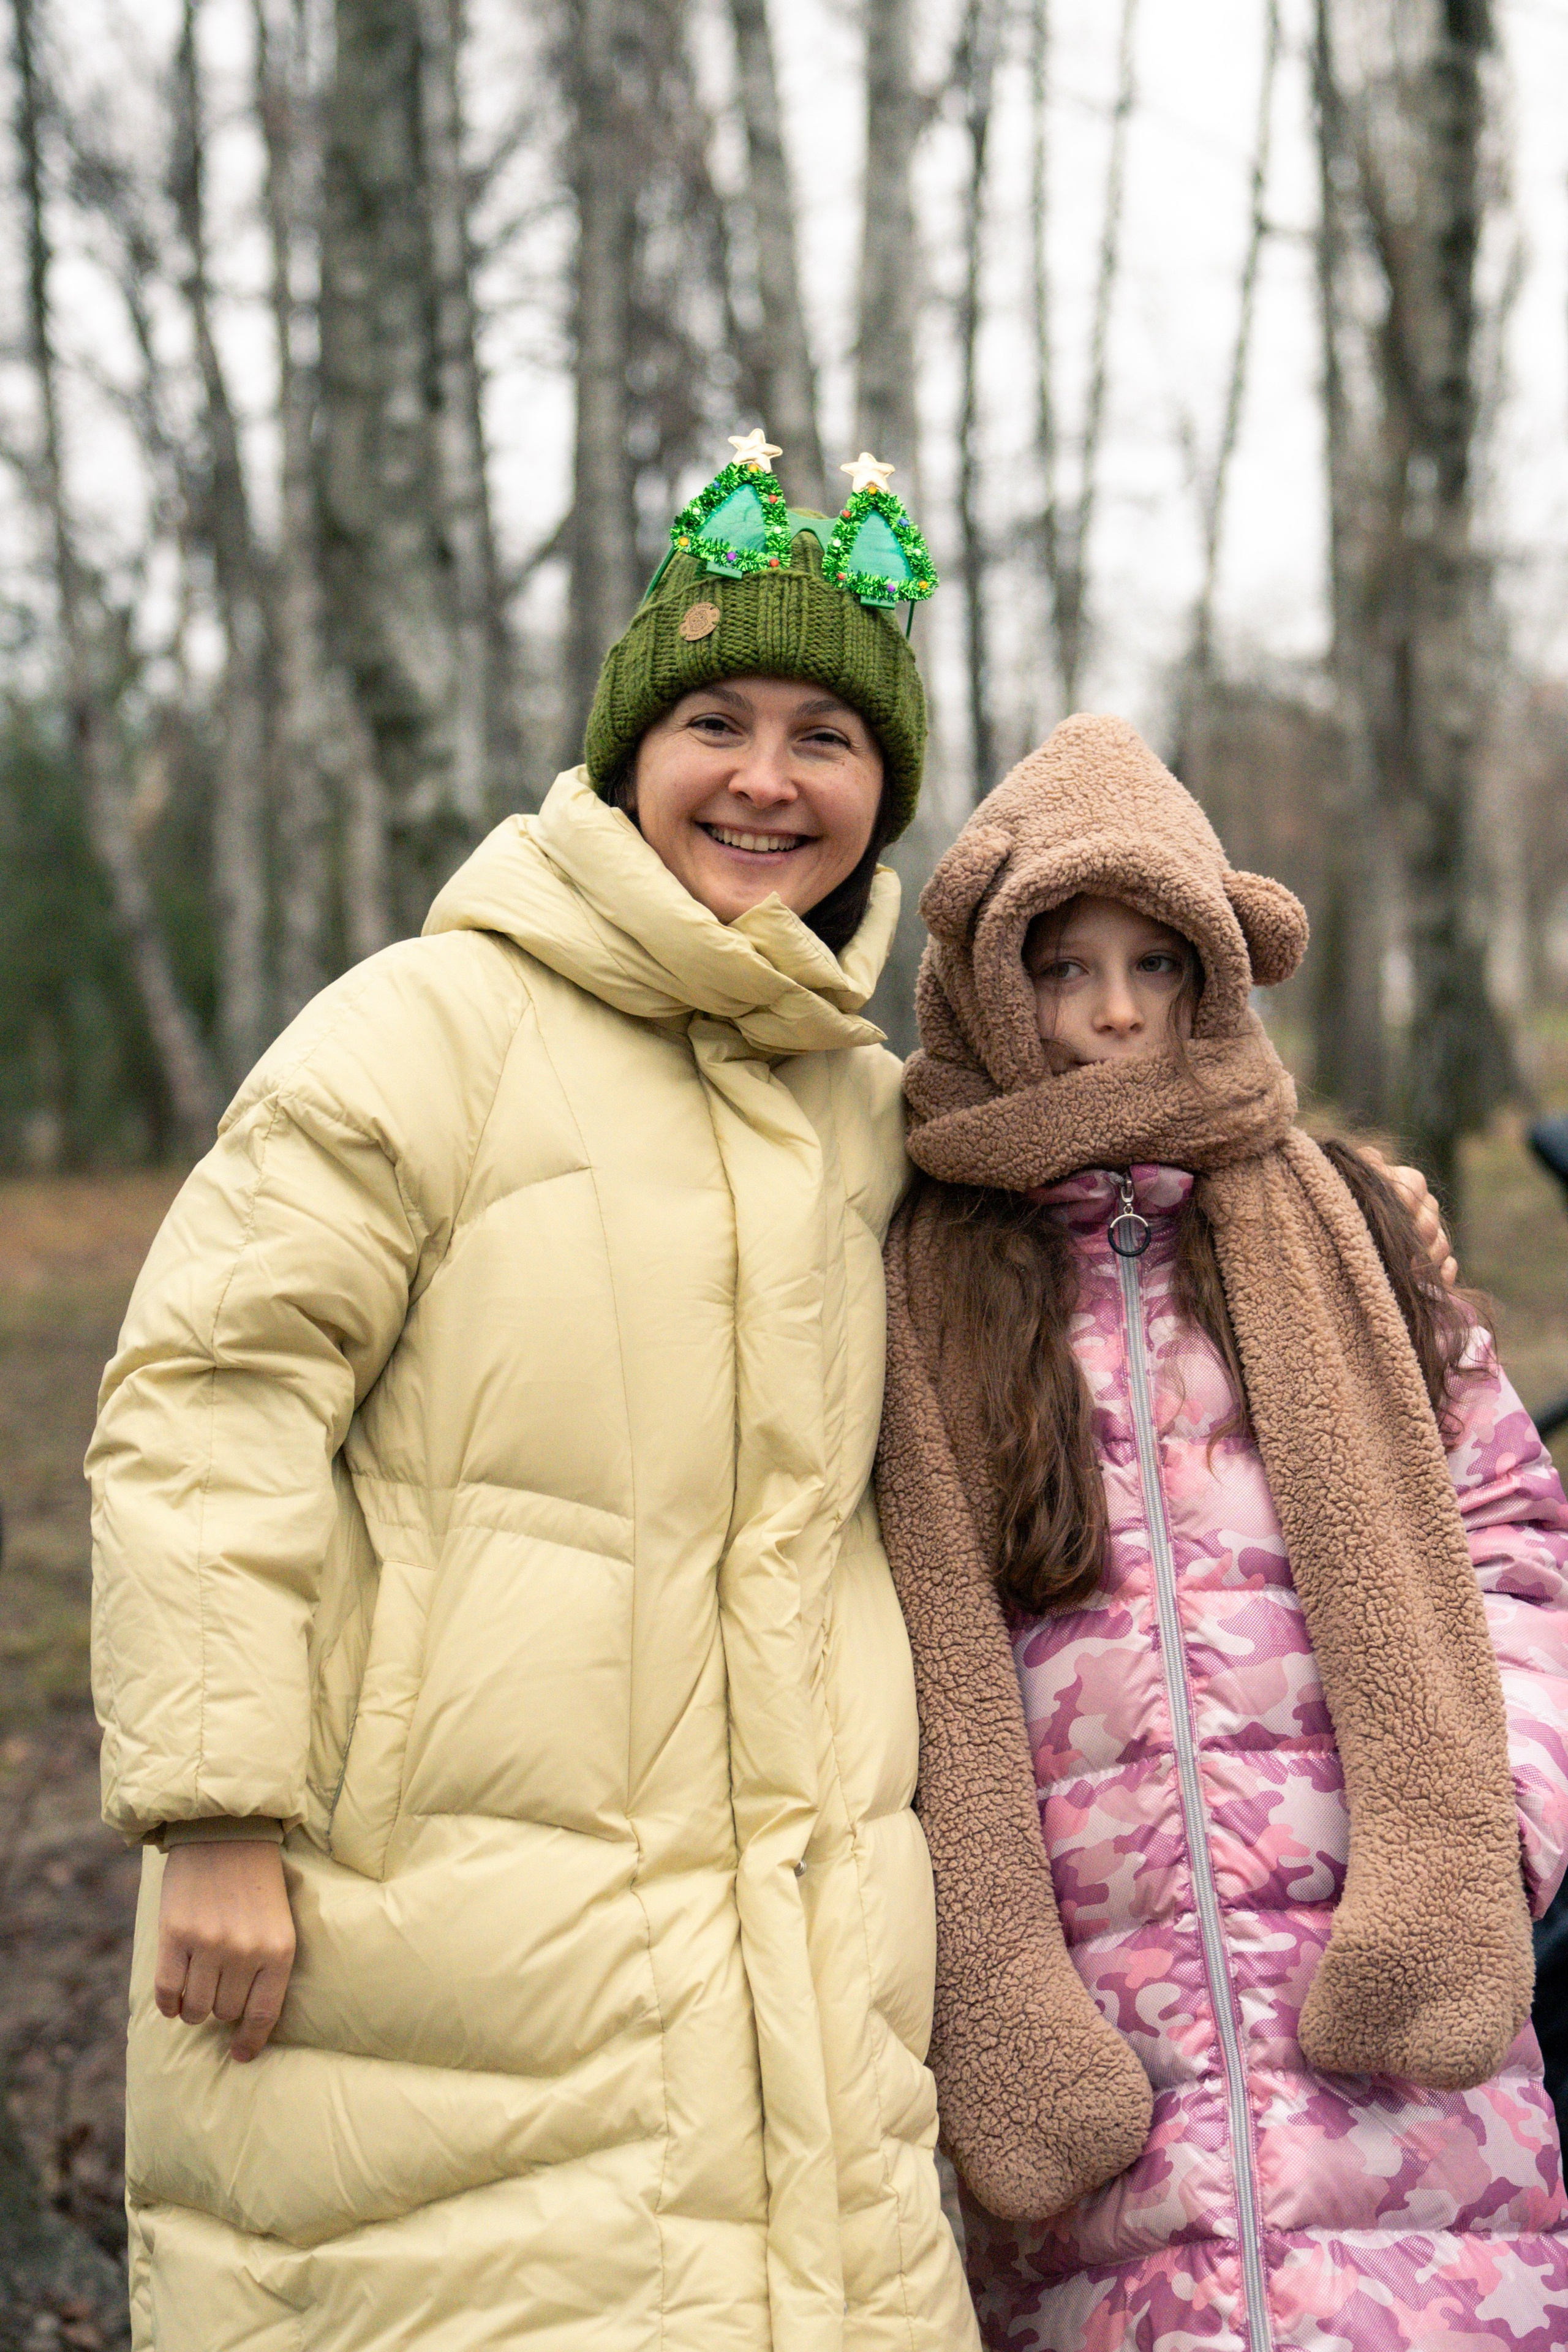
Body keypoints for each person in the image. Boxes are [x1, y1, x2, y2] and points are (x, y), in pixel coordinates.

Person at [86, 443, 982, 2350]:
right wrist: (216, 1814)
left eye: (827, 733)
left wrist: (1315, 1198)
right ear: (623, 751)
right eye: (717, 718)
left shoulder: (866, 1113)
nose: (766, 775)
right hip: (431, 1966)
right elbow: (205, 1401)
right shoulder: (427, 1030)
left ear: (881, 789)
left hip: (784, 1988)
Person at [874, 714, 1568, 2351]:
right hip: (1100, 2037)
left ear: (1215, 978)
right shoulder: (924, 1282)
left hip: (1398, 2041)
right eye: (1064, 969)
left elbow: (1515, 1540)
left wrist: (1500, 1812)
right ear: (990, 986)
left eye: (1156, 967)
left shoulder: (1347, 1237)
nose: (1115, 1013)